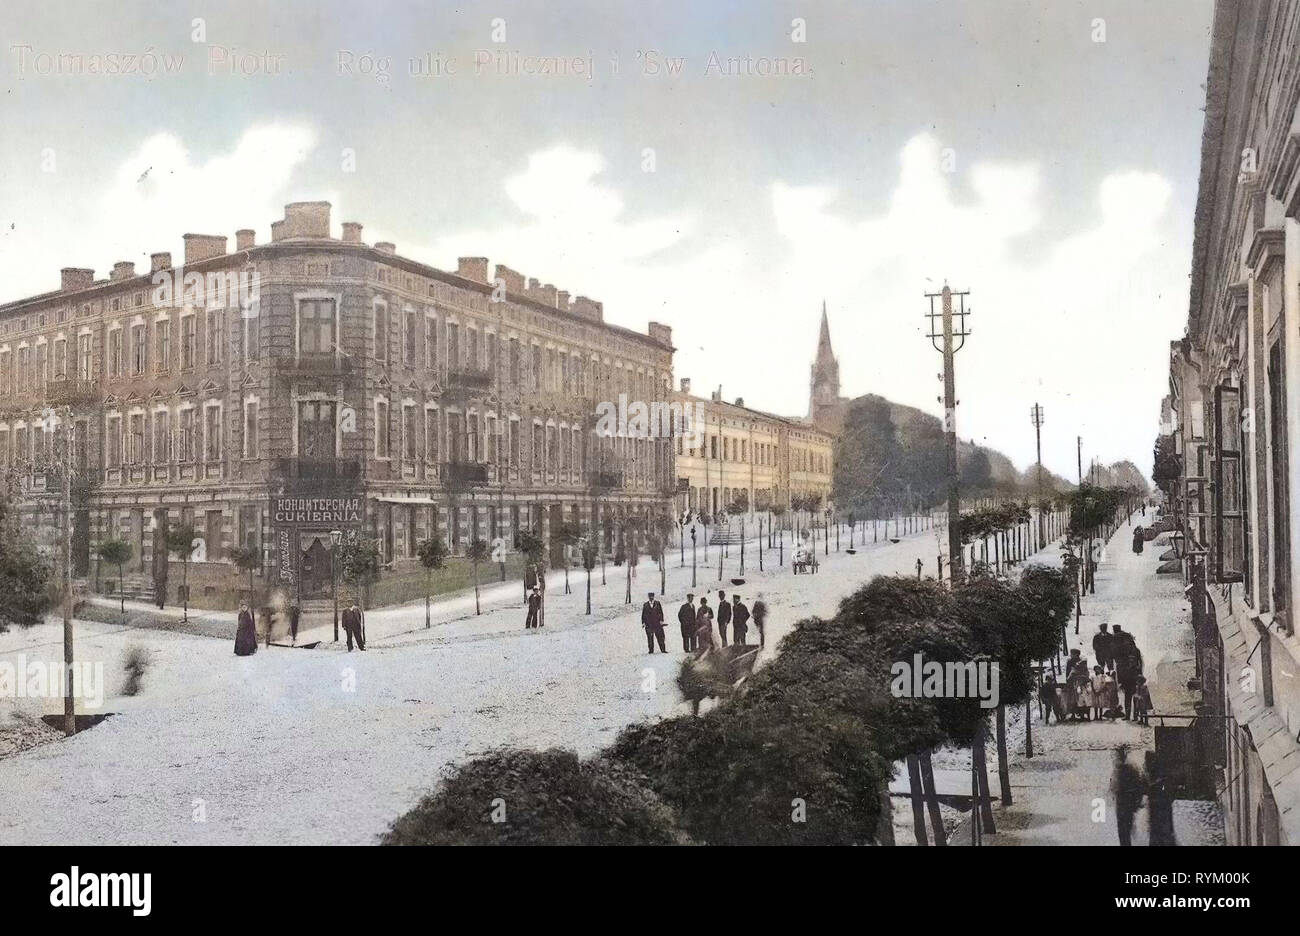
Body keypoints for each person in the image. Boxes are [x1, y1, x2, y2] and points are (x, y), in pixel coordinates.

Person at [1111, 746, 1144, 847]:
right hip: (1123, 807)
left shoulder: (1127, 769)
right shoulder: (1123, 769)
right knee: (1125, 834)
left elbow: (1138, 786)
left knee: (1124, 834)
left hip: (1125, 807)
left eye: (1116, 756)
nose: (1115, 758)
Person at [1144, 751, 1177, 846]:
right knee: (1162, 832)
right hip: (1160, 808)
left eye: (1147, 760)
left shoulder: (1157, 774)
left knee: (1162, 832)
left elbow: (1160, 787)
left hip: (1160, 808)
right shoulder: (1156, 772)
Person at [1111, 625, 1144, 719]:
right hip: (1129, 676)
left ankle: (1134, 715)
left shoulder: (1133, 650)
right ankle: (1130, 715)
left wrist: (1139, 673)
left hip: (1132, 676)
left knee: (1134, 696)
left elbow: (1139, 663)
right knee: (1129, 696)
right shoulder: (1126, 650)